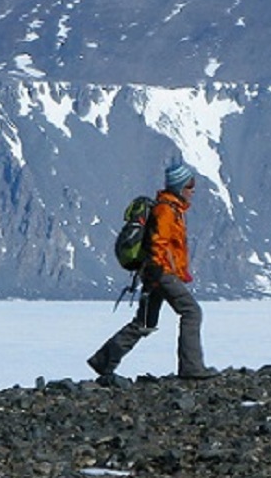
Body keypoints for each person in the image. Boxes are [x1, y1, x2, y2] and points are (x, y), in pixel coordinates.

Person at [87, 163, 216, 384]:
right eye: (190, 185)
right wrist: (158, 268)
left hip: (154, 272)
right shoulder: (166, 210)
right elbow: (159, 241)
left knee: (144, 322)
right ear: (179, 186)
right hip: (161, 272)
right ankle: (191, 367)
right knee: (191, 312)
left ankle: (103, 360)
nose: (193, 189)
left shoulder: (172, 209)